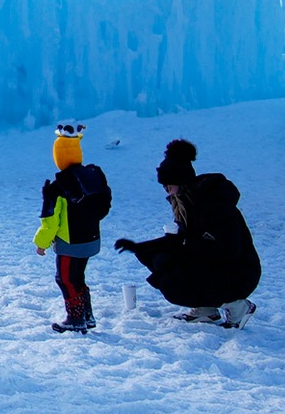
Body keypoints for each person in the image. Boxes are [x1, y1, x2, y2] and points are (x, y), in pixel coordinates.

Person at [114, 139, 261, 329]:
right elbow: (186, 240)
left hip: (240, 274)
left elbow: (228, 250)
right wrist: (139, 247)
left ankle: (236, 305)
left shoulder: (213, 204)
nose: (167, 191)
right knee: (157, 257)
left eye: (169, 185)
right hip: (218, 265)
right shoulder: (187, 203)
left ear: (181, 181)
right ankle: (206, 310)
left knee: (172, 279)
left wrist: (185, 243)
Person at [35, 121, 110, 333]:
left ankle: (76, 317)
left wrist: (41, 244)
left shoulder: (57, 187)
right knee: (79, 277)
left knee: (66, 279)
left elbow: (50, 221)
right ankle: (87, 314)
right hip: (90, 240)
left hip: (70, 243)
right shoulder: (92, 177)